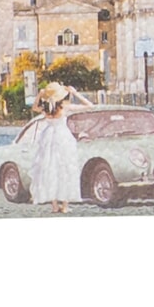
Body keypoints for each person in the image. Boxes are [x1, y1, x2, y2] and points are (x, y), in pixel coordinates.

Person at [28, 82, 93, 214]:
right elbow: (90, 106)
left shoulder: (46, 108)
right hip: (62, 138)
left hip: (48, 137)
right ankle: (65, 206)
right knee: (65, 169)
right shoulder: (64, 107)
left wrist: (40, 95)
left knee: (50, 169)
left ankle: (54, 206)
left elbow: (34, 107)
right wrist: (74, 93)